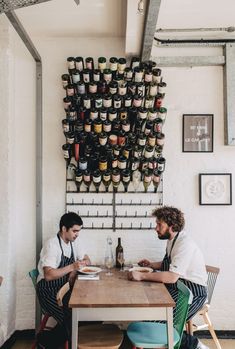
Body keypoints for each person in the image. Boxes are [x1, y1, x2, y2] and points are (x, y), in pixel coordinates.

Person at [128, 206, 209, 349]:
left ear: (172, 226)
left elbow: (171, 277)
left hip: (193, 293)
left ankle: (196, 345)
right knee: (150, 317)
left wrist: (141, 276)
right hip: (177, 287)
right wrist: (152, 264)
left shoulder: (185, 244)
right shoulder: (173, 240)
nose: (156, 228)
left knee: (163, 325)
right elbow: (170, 265)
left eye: (160, 224)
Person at [36, 212, 90, 348]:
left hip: (65, 287)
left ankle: (48, 340)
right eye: (75, 231)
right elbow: (48, 275)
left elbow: (87, 259)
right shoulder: (52, 245)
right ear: (64, 229)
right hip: (48, 289)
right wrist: (72, 267)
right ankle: (48, 341)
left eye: (79, 231)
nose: (77, 234)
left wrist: (77, 267)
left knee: (87, 311)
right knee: (72, 317)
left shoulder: (73, 242)